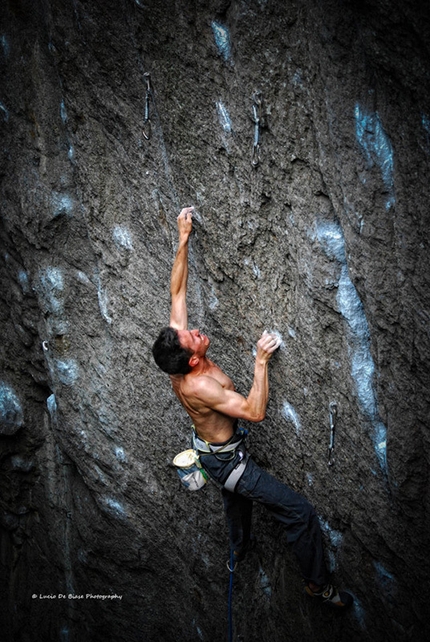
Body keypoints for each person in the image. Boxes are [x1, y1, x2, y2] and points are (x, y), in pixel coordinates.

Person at [152, 207, 353, 608]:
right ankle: (318, 584)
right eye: (194, 337)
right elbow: (254, 411)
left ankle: (239, 548)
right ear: (193, 361)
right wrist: (260, 362)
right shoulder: (201, 385)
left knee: (235, 504)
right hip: (229, 463)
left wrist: (183, 237)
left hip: (214, 451)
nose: (194, 330)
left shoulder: (179, 350)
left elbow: (177, 292)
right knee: (299, 512)